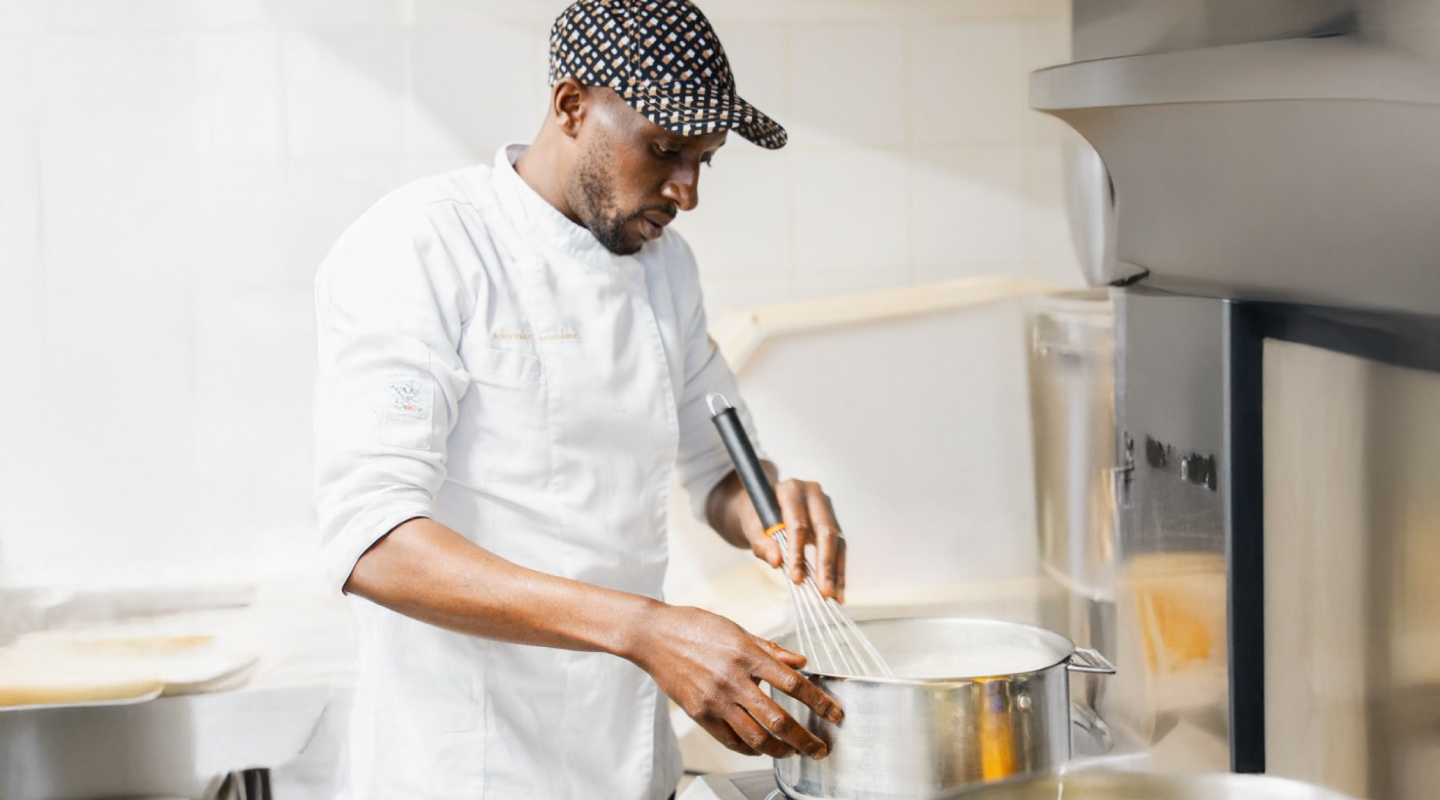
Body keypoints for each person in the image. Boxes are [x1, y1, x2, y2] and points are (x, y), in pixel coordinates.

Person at [312, 0, 850, 797]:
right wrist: (647, 631)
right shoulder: (423, 244)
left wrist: (769, 510)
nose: (687, 191)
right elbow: (373, 543)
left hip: (628, 761)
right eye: (665, 149)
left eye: (705, 160)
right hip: (468, 766)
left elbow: (718, 470)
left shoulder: (667, 268)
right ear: (571, 106)